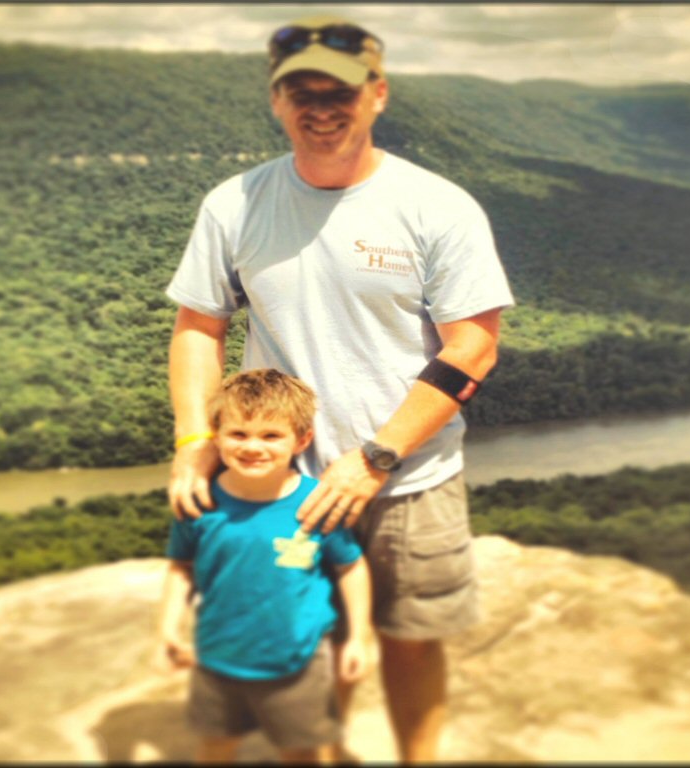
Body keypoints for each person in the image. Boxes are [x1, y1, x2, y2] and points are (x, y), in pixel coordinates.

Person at [166, 14, 515, 763]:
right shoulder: (235, 204)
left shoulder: (437, 206)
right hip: (283, 484)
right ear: (276, 100)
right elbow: (199, 326)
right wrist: (195, 442)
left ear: (378, 94)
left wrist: (377, 457)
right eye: (301, 90)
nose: (321, 106)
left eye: (341, 90)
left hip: (412, 475)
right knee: (308, 642)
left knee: (411, 644)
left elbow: (474, 346)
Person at [158, 368, 373, 764]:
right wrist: (168, 627)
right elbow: (181, 567)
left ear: (301, 439)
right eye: (238, 433)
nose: (253, 447)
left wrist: (357, 638)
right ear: (216, 435)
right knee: (215, 749)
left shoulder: (318, 502)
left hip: (299, 660)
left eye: (271, 435)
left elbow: (350, 567)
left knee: (302, 752)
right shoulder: (199, 502)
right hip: (218, 658)